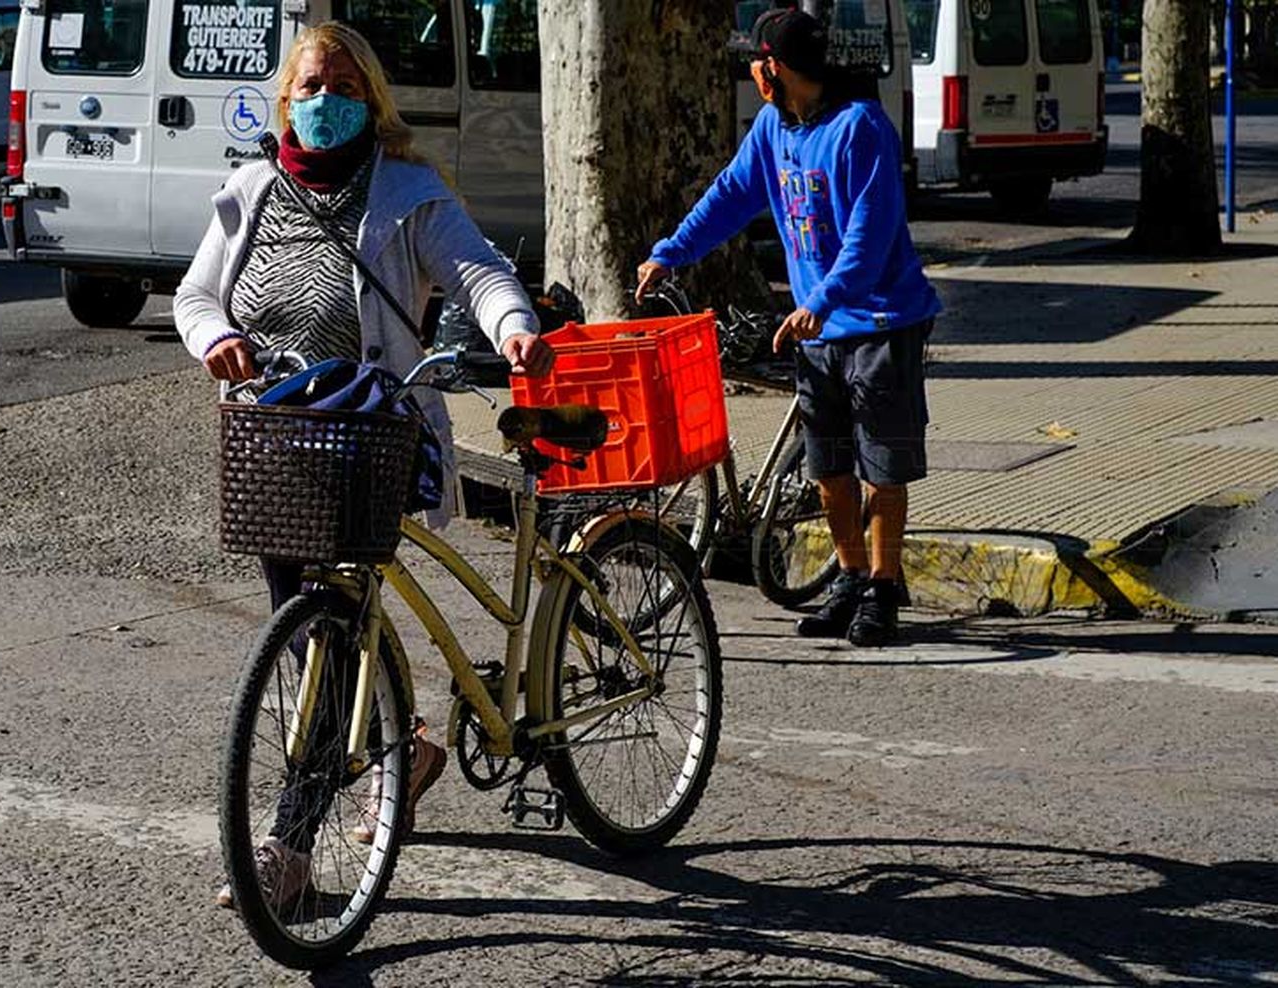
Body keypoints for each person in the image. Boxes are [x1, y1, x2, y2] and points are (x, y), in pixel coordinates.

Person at [174, 21, 552, 911]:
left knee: (327, 643)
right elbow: (194, 293)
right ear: (285, 102)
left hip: (370, 434)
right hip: (275, 439)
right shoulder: (249, 190)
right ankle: (407, 748)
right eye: (309, 87)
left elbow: (479, 272)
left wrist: (513, 327)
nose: (324, 101)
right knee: (305, 634)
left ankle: (288, 849)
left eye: (342, 86)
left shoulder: (410, 192)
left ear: (371, 101)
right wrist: (217, 337)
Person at [636, 8, 940, 648]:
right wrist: (672, 251)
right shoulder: (774, 127)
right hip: (819, 329)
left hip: (880, 320)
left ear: (778, 67)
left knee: (881, 467)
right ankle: (852, 577)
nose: (753, 73)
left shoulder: (861, 128)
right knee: (828, 466)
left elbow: (871, 232)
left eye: (758, 62)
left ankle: (885, 587)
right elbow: (731, 195)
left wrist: (823, 301)